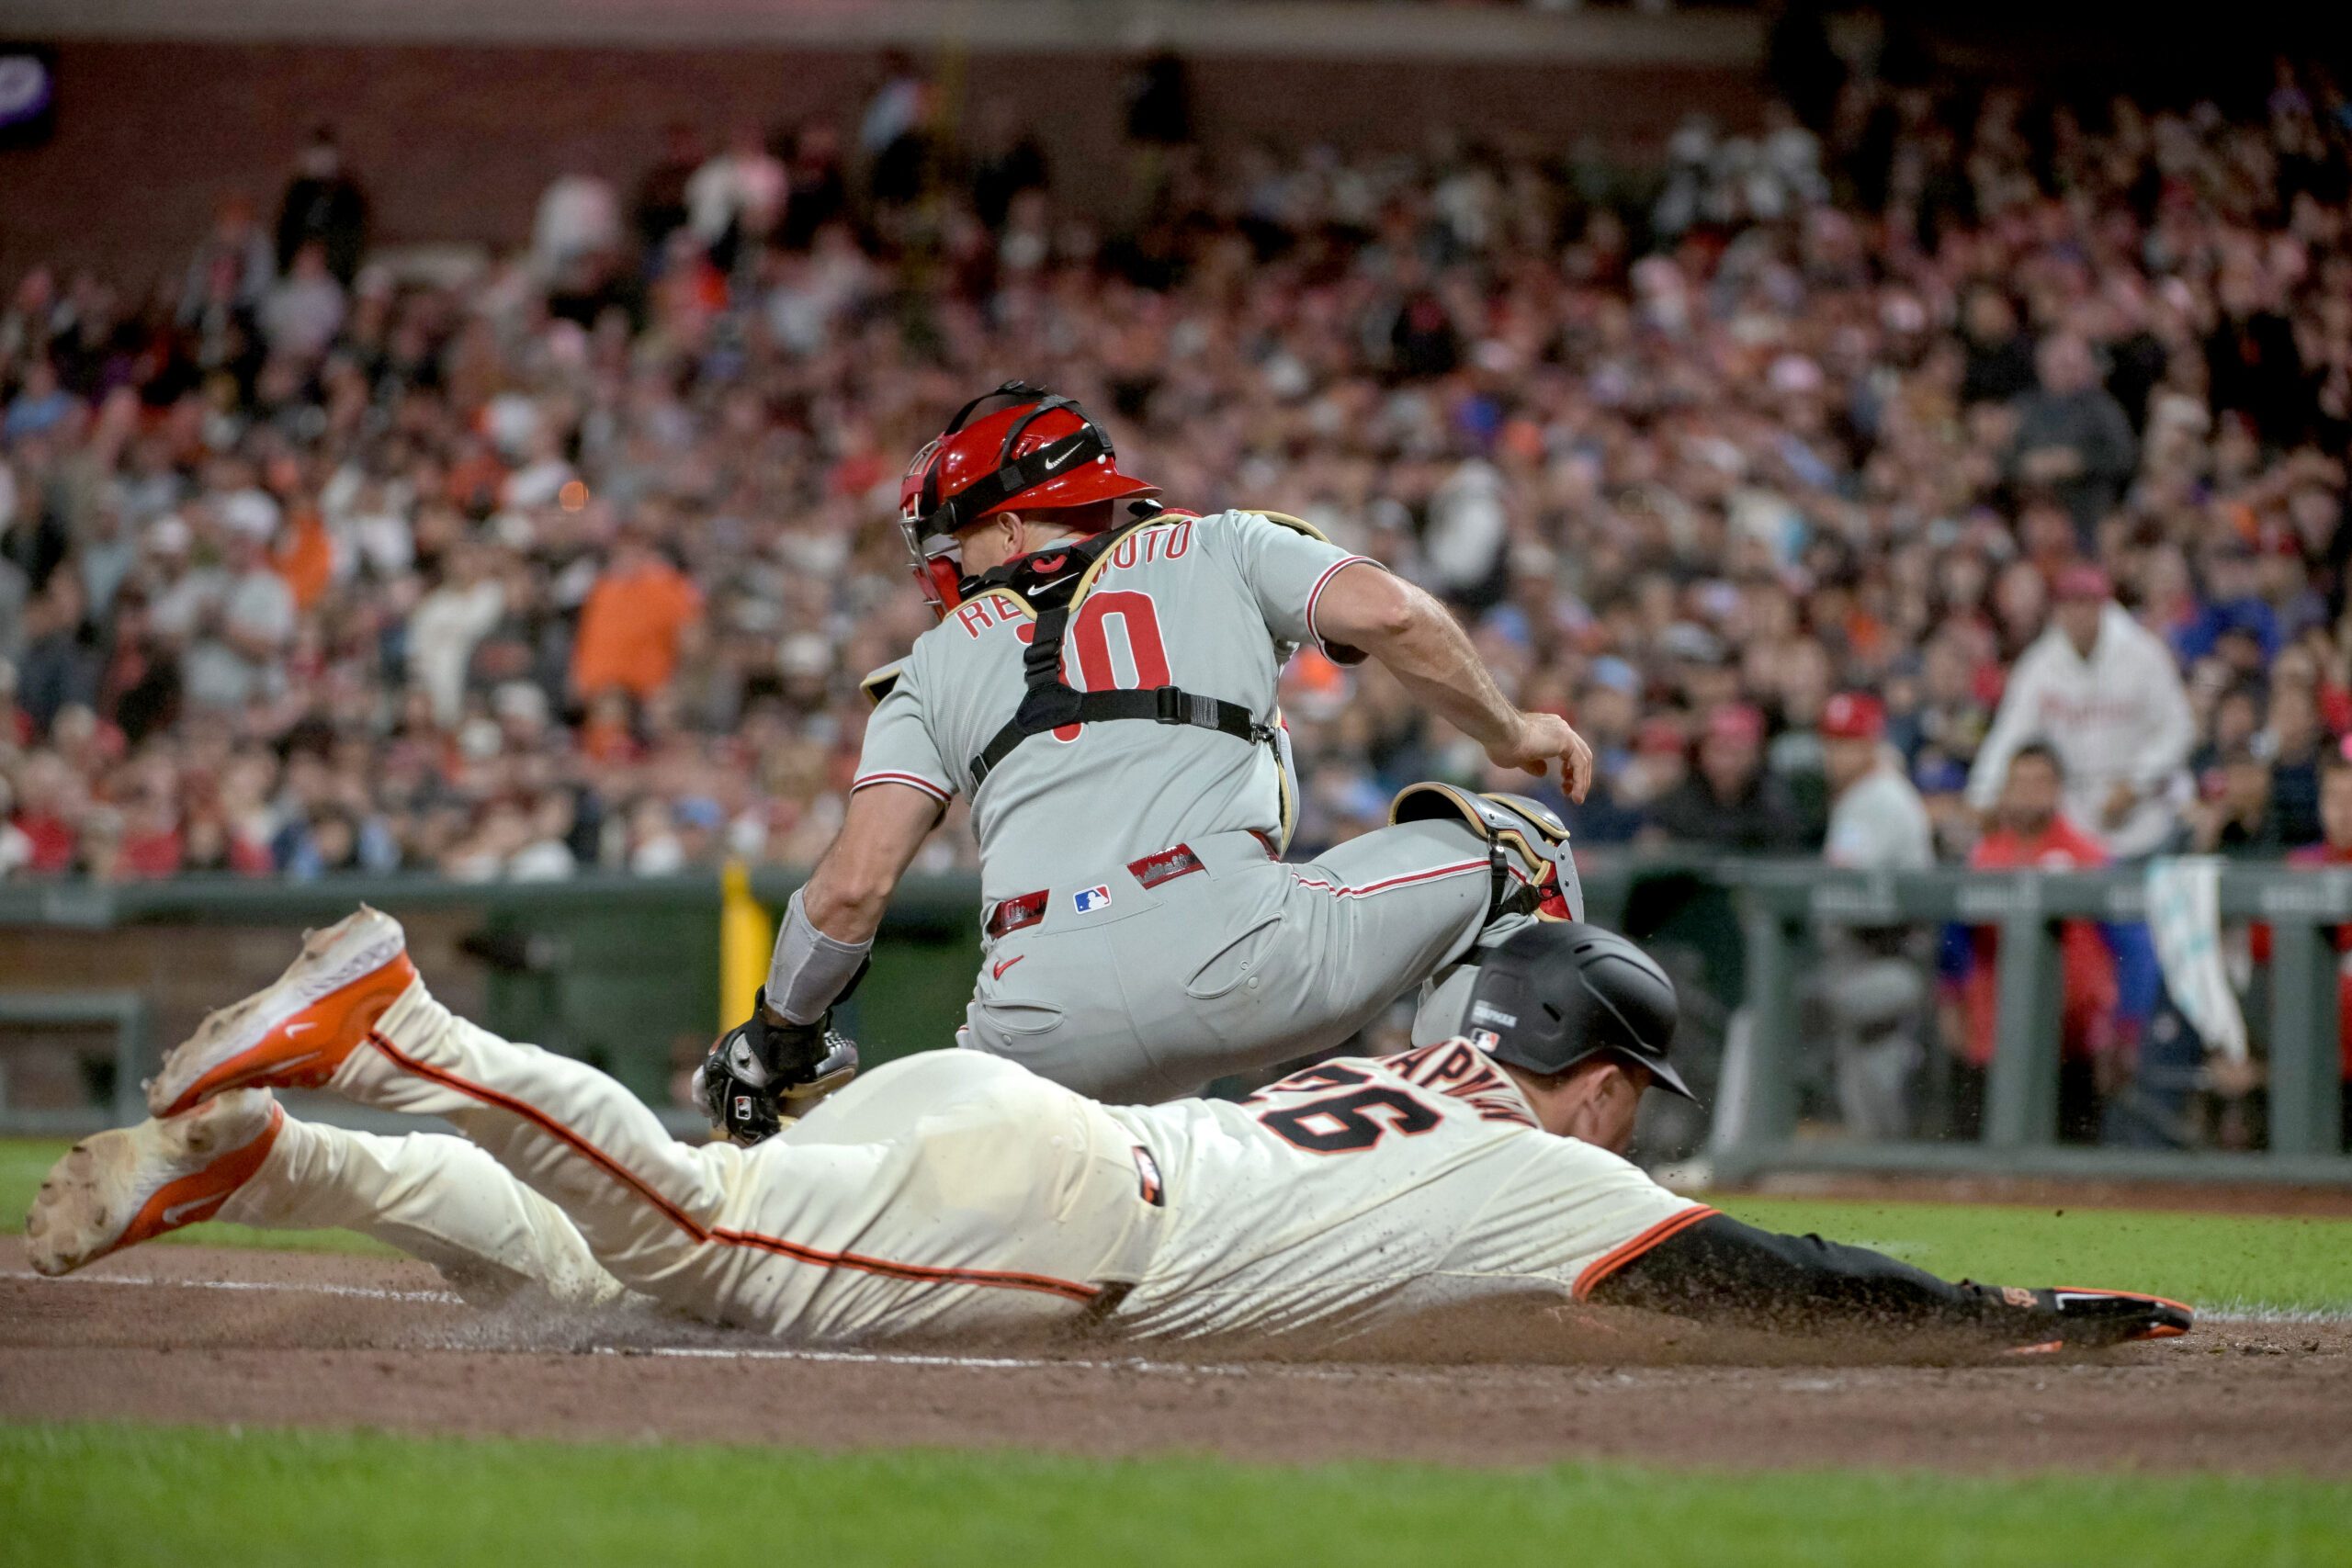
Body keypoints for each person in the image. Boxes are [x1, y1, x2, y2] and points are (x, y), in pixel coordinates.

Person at [26, 908, 2190, 1354]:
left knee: (608, 1284)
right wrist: (1991, 1313)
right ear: (1597, 1066)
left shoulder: (1428, 1081)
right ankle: (390, 1027)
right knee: (688, 1243)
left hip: (1015, 1115)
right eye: (1635, 1085)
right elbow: (1764, 1271)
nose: (1636, 1121)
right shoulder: (1567, 1166)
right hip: (1076, 1211)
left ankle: (284, 1159)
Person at [710, 382, 1596, 1120]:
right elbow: (1393, 614)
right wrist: (1513, 732)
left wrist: (777, 1033)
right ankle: (1488, 1179)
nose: (948, 562)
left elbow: (852, 886)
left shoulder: (932, 662)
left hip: (1031, 1028)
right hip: (1238, 950)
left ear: (1014, 528)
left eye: (959, 536)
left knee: (987, 1193)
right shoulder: (1222, 541)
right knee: (1526, 847)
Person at [1956, 745, 2160, 1144]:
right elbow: (1956, 947)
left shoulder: (2090, 857)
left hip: (2073, 1043)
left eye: (2041, 781)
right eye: (2021, 782)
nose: (2030, 792)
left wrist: (2127, 1029)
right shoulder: (1983, 859)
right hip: (1994, 1040)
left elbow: (2136, 950)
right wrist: (1953, 1003)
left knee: (2070, 1174)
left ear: (2059, 789)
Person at [1966, 563, 2193, 861]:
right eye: (2068, 604)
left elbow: (2178, 729)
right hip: (2077, 826)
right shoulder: (2041, 664)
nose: (2077, 614)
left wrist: (2136, 783)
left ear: (2103, 605)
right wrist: (1983, 794)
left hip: (2145, 817)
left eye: (2085, 603)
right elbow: (2011, 735)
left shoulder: (2143, 655)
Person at [1814, 692, 1935, 1139]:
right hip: (1867, 961)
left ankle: (1749, 1144)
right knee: (1865, 1067)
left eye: (1848, 743)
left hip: (1891, 963)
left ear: (1872, 744)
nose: (1835, 755)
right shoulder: (1865, 794)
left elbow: (1846, 889)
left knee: (1772, 1011)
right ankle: (1876, 1162)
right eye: (1831, 742)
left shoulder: (1879, 798)